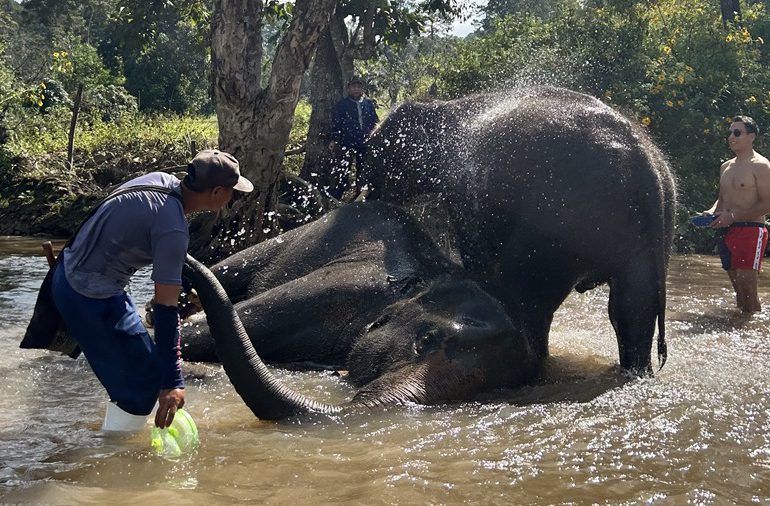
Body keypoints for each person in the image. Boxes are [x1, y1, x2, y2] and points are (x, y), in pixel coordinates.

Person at [51, 149, 253, 431]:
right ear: (217, 192)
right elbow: (165, 307)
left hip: (68, 271)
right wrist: (173, 382)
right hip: (87, 295)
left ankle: (115, 434)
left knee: (144, 374)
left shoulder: (159, 180)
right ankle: (117, 455)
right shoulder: (172, 229)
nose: (233, 197)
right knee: (142, 388)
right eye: (232, 191)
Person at [704, 116, 770, 312]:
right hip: (726, 230)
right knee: (739, 293)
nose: (731, 137)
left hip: (752, 230)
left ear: (751, 136)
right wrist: (711, 213)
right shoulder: (725, 166)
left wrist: (733, 217)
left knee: (748, 291)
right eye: (730, 132)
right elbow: (722, 198)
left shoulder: (761, 165)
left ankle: (758, 334)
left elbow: (768, 203)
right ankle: (742, 327)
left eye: (737, 133)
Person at [328, 75, 379, 199]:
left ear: (362, 89)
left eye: (358, 87)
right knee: (343, 169)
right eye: (353, 87)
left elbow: (375, 121)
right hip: (347, 141)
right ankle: (337, 196)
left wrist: (375, 135)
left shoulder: (368, 104)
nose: (356, 89)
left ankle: (360, 195)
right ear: (348, 89)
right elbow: (336, 122)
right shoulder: (342, 105)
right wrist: (334, 139)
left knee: (363, 169)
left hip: (364, 142)